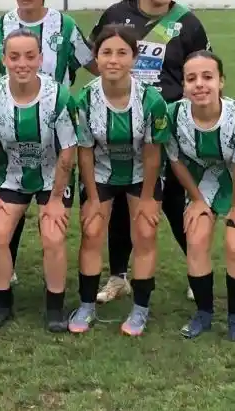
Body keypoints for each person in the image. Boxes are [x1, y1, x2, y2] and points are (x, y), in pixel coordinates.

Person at [90, 0, 213, 305]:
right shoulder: (116, 15)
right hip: (120, 127)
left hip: (168, 127)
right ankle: (118, 277)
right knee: (119, 194)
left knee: (174, 200)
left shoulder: (186, 23)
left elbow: (201, 70)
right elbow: (98, 60)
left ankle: (197, 271)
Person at [0, 0, 94, 288]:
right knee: (9, 195)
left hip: (54, 130)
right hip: (11, 130)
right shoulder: (1, 25)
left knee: (48, 212)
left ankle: (51, 289)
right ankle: (6, 271)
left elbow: (90, 64)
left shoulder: (67, 26)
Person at [0, 29, 77, 331]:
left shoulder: (59, 96)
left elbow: (68, 151)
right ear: (4, 59)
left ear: (41, 58)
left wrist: (56, 200)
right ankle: (2, 304)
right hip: (11, 176)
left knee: (53, 237)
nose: (22, 63)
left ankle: (55, 307)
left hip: (52, 178)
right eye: (14, 57)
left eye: (30, 56)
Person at [69, 25, 170, 336]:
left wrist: (151, 198)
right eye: (106, 52)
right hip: (100, 172)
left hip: (142, 174)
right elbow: (84, 152)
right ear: (96, 58)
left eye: (122, 53)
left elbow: (154, 154)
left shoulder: (151, 100)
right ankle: (86, 305)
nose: (113, 60)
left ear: (134, 57)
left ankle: (140, 309)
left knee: (145, 231)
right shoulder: (84, 100)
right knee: (92, 230)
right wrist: (93, 199)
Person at [168, 51, 235, 343]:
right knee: (196, 239)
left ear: (221, 81)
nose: (200, 84)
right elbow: (175, 162)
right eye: (191, 78)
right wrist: (197, 200)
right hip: (204, 177)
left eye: (207, 77)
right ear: (184, 86)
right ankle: (204, 313)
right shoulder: (174, 116)